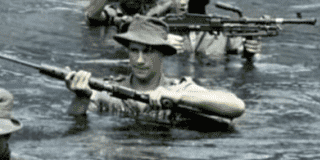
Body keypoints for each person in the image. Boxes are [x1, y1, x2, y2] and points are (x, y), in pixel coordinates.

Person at [64, 16, 246, 123]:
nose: (140, 60)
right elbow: (75, 125)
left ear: (163, 54)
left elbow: (236, 107)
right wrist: (81, 98)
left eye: (148, 52)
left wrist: (176, 98)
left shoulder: (179, 89)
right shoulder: (109, 90)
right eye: (134, 51)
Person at [148, 0, 260, 60]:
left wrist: (250, 53)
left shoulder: (220, 30)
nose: (182, 2)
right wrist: (160, 43)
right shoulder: (162, 27)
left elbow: (249, 59)